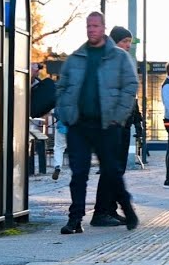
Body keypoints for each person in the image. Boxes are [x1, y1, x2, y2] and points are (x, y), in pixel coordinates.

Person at [55, 12, 140, 234]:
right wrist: (65, 113)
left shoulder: (118, 58)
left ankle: (127, 209)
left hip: (106, 125)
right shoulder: (76, 58)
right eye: (88, 26)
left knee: (112, 171)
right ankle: (75, 219)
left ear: (103, 28)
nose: (91, 29)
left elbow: (130, 86)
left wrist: (118, 116)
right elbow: (62, 88)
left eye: (95, 26)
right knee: (78, 173)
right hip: (79, 125)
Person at [110, 26, 145, 170]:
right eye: (124, 41)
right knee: (112, 166)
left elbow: (132, 95)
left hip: (125, 123)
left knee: (120, 166)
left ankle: (114, 192)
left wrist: (137, 121)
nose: (128, 45)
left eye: (129, 41)